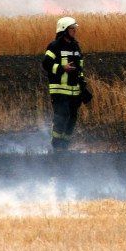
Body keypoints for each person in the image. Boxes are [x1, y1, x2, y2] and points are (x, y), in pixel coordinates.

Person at [42, 16, 91, 151]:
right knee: (62, 116)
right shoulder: (54, 46)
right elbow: (46, 64)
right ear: (64, 30)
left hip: (74, 91)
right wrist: (62, 68)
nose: (75, 31)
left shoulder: (76, 47)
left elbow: (80, 68)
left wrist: (82, 86)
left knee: (72, 118)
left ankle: (65, 146)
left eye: (75, 28)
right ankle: (56, 145)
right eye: (72, 28)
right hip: (59, 90)